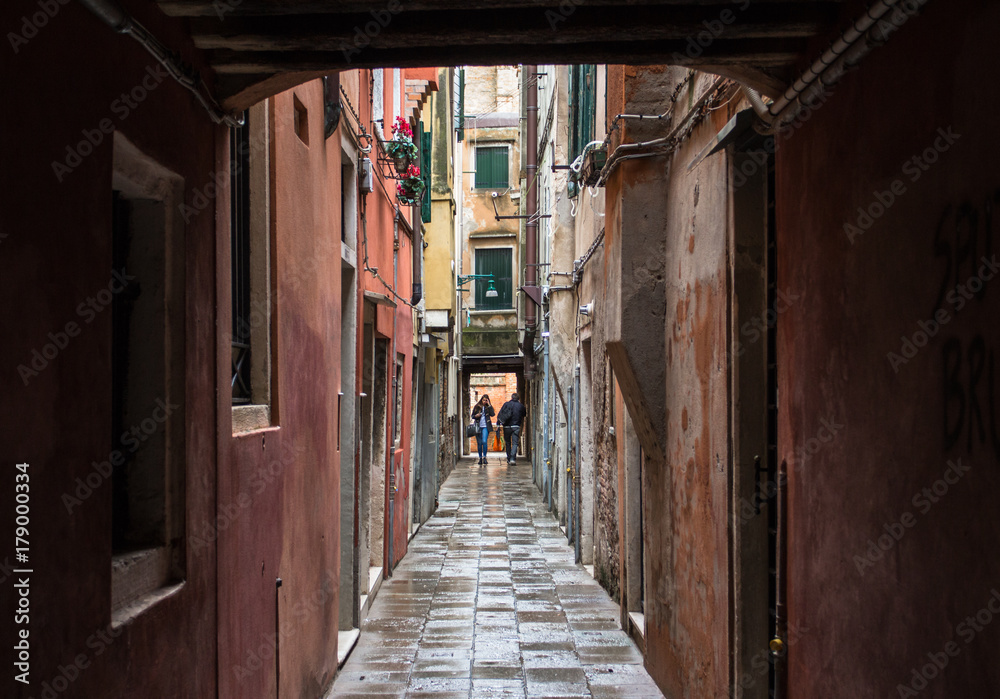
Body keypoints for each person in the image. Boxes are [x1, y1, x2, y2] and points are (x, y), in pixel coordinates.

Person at [496, 392, 527, 465]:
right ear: (518, 398)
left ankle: (509, 458)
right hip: (516, 426)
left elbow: (500, 415)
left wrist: (498, 424)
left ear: (511, 398)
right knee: (515, 443)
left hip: (506, 427)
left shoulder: (506, 404)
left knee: (508, 443)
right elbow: (524, 414)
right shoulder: (521, 406)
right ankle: (513, 459)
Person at [471, 394, 495, 466]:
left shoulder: (488, 407)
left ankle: (484, 456)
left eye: (486, 400)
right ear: (481, 400)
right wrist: (476, 416)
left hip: (485, 427)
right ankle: (480, 458)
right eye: (483, 400)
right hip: (478, 426)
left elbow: (492, 414)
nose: (484, 401)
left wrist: (489, 405)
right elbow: (472, 416)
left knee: (484, 441)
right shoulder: (477, 406)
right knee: (479, 443)